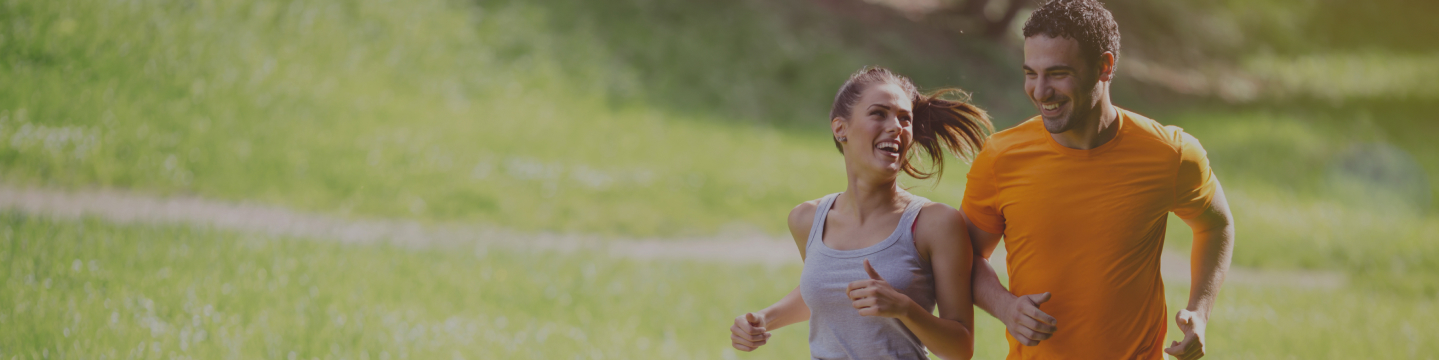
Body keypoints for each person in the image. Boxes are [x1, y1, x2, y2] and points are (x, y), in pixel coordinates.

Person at [961, 1, 1236, 359]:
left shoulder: (1169, 153)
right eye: (1031, 73)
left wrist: (1200, 311)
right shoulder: (1000, 158)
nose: (1040, 91)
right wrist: (1005, 307)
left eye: (1058, 73)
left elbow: (1216, 225)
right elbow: (963, 257)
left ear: (1104, 67)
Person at [729, 67, 993, 359]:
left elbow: (960, 349)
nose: (896, 127)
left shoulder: (934, 224)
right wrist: (765, 318)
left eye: (905, 118)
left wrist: (904, 308)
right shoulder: (807, 220)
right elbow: (829, 292)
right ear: (840, 128)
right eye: (879, 113)